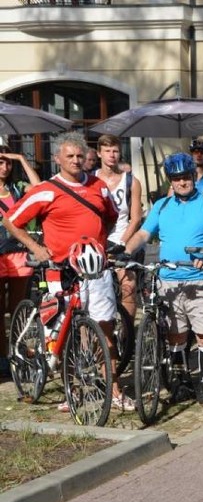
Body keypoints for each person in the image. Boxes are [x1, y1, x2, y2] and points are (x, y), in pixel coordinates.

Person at [2, 132, 127, 410]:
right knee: (64, 331)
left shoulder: (98, 186)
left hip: (95, 270)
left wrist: (99, 247)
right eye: (69, 156)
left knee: (105, 327)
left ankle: (113, 388)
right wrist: (35, 247)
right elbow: (11, 221)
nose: (75, 160)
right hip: (60, 270)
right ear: (57, 158)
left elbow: (111, 217)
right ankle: (74, 391)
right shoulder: (46, 190)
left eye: (80, 155)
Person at [122, 152, 203, 408]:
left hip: (201, 279)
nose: (182, 183)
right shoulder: (162, 206)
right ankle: (181, 382)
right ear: (171, 180)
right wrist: (124, 251)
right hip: (168, 280)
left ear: (194, 176)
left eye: (186, 177)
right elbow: (144, 233)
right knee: (175, 336)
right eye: (177, 178)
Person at [0, 146, 40, 378]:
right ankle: (2, 354)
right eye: (1, 162)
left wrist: (22, 158)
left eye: (8, 163)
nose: (5, 167)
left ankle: (18, 352)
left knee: (18, 309)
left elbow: (40, 188)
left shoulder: (17, 188)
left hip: (17, 252)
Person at [95, 134, 144, 321]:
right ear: (99, 153)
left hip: (123, 238)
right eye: (107, 151)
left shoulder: (131, 181)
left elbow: (135, 218)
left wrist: (122, 243)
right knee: (97, 291)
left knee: (128, 288)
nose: (112, 155)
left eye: (115, 151)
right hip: (97, 241)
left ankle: (127, 335)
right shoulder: (90, 179)